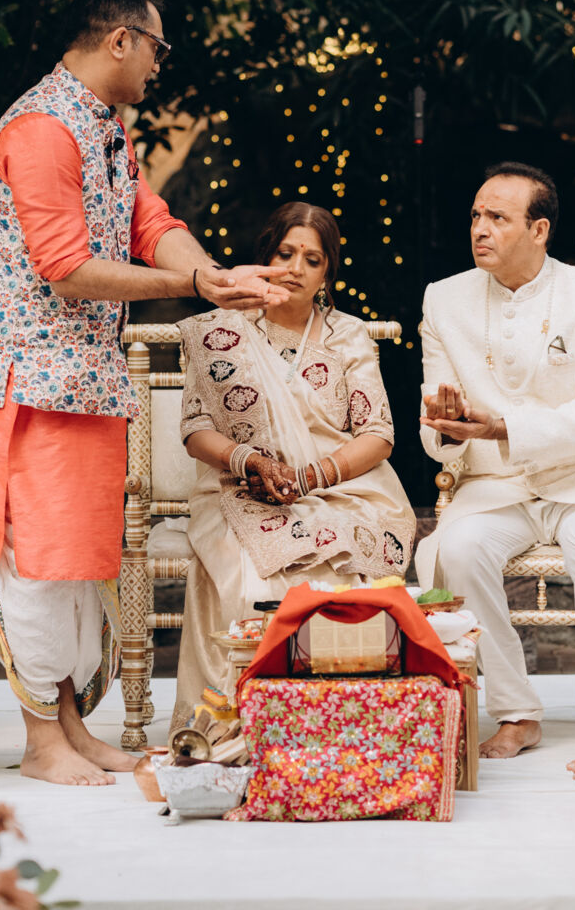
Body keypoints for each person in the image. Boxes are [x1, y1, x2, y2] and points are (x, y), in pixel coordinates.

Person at [0, 0, 287, 787]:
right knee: (36, 565)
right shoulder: (41, 128)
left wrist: (214, 277)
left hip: (82, 384)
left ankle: (71, 729)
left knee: (77, 566)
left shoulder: (104, 127)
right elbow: (67, 267)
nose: (160, 63)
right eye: (157, 46)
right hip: (28, 389)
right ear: (121, 39)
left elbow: (150, 223)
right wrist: (193, 286)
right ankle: (40, 744)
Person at [414, 162, 575, 759]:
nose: (479, 229)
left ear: (539, 230)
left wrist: (503, 427)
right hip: (497, 482)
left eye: (498, 217)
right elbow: (435, 429)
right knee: (457, 550)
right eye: (476, 216)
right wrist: (449, 428)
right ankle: (515, 713)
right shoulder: (444, 299)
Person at [171, 202, 417, 726]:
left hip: (342, 487)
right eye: (285, 254)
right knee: (253, 578)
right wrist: (248, 460)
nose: (295, 269)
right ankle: (243, 724)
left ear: (328, 273)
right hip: (239, 487)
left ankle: (340, 720)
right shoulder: (223, 333)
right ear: (265, 258)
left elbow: (378, 433)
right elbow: (195, 428)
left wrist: (310, 477)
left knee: (343, 565)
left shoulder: (346, 335)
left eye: (313, 259)